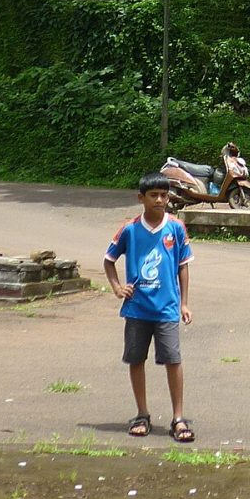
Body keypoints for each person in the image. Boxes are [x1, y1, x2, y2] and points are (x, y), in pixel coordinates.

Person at [104, 172, 194, 442]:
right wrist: (118, 288)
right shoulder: (129, 229)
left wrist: (184, 303)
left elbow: (183, 265)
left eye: (164, 195)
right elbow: (109, 260)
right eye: (153, 195)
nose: (159, 200)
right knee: (136, 359)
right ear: (141, 198)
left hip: (166, 308)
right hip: (137, 309)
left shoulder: (176, 228)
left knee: (173, 360)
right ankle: (142, 413)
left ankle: (178, 418)